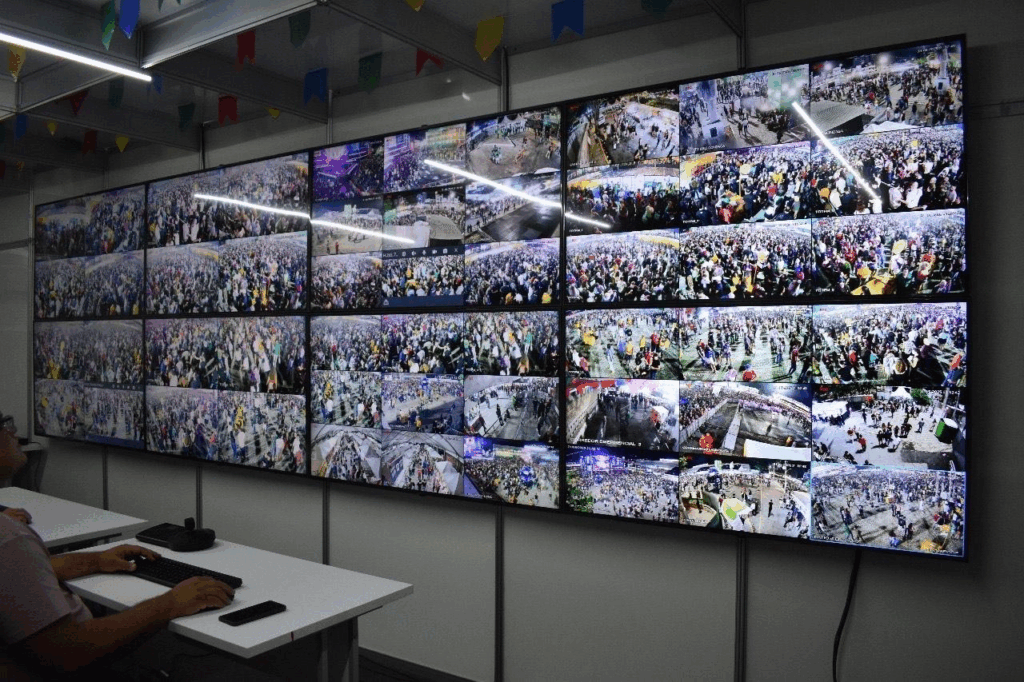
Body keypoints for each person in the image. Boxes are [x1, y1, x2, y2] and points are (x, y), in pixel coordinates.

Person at [0, 514, 235, 679]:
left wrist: (96, 560)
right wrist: (169, 604)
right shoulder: (10, 537)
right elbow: (66, 653)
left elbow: (21, 571)